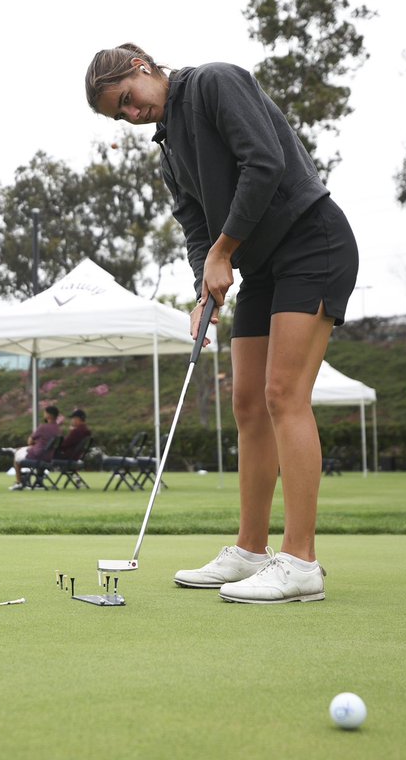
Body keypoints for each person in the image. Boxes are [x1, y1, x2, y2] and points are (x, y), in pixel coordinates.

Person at [85, 44, 359, 604]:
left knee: (284, 395)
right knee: (248, 405)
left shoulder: (214, 82)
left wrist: (224, 250)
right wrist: (204, 288)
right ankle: (250, 551)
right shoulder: (169, 154)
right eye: (121, 116)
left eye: (129, 102)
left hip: (312, 242)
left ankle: (301, 561)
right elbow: (196, 231)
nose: (133, 116)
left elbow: (265, 162)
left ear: (142, 68)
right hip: (260, 266)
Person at [11, 405, 62, 491]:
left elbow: (30, 441)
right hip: (49, 456)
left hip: (37, 455)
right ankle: (38, 481)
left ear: (49, 415)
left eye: (45, 413)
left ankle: (19, 482)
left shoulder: (43, 427)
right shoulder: (58, 429)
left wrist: (36, 443)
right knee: (21, 451)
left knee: (17, 458)